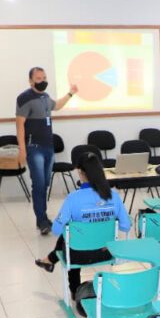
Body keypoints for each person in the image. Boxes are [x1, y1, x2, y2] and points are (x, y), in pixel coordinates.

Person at [33, 153, 131, 297]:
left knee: (69, 237)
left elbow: (55, 229)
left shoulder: (73, 198)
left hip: (78, 256)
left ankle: (75, 290)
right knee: (72, 236)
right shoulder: (113, 196)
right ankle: (50, 261)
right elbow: (126, 226)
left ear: (80, 172)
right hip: (106, 252)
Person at [16, 67, 78, 234]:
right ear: (30, 81)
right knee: (38, 184)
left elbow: (56, 106)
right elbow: (20, 124)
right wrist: (22, 148)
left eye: (44, 77)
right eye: (38, 78)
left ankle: (41, 219)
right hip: (33, 147)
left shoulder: (45, 96)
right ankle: (42, 220)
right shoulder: (24, 98)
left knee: (44, 184)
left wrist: (71, 93)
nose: (42, 81)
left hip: (48, 147)